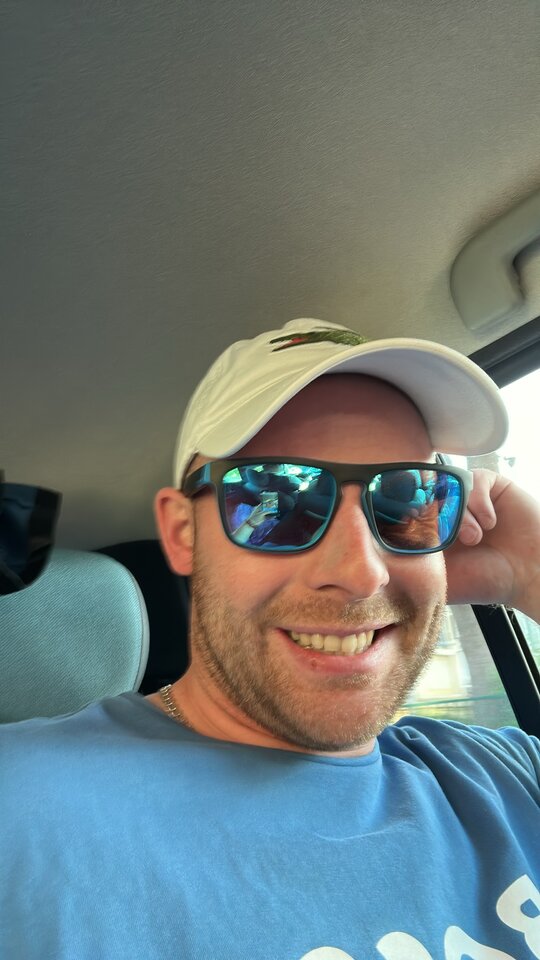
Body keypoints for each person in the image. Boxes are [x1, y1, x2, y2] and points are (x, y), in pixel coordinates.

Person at [1, 318, 539, 960]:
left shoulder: (507, 777)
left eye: (405, 502)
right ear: (182, 533)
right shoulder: (19, 805)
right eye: (277, 502)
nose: (361, 571)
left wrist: (532, 572)